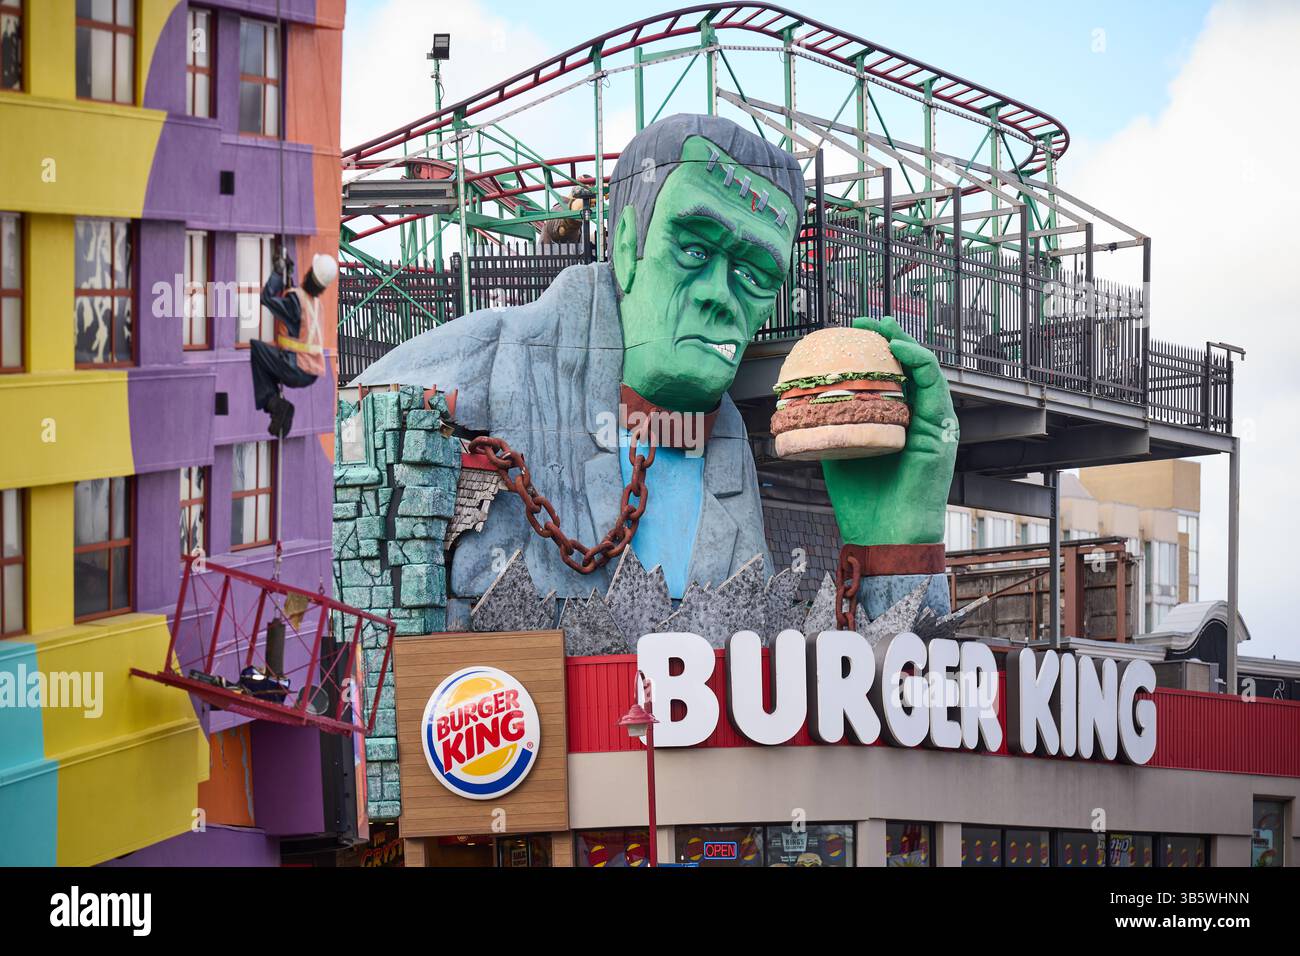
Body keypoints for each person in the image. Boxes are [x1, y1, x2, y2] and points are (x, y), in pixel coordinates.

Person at [352, 114, 957, 619]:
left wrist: (897, 548)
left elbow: (862, 718)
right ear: (623, 245)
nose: (721, 295)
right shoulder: (455, 377)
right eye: (694, 249)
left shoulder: (720, 444)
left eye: (755, 273)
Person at [252, 251, 336, 438]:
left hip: (295, 368)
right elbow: (296, 317)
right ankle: (276, 404)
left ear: (309, 273)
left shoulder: (296, 302)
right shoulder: (315, 305)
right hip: (310, 373)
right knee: (270, 359)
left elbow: (266, 299)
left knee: (257, 349)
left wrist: (276, 273)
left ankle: (273, 404)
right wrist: (287, 276)